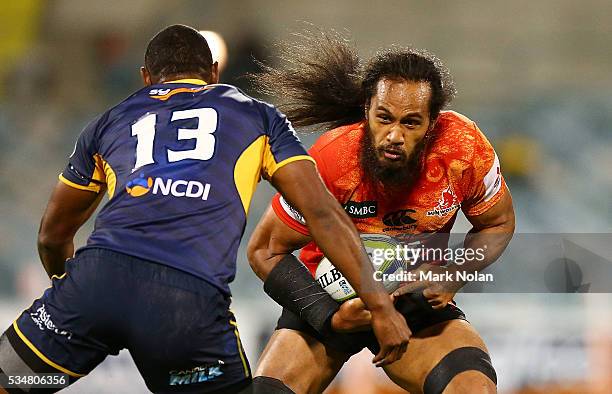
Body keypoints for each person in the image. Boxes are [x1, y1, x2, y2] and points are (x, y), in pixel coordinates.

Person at [0, 25, 410, 394]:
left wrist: (72, 287)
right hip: (184, 304)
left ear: (146, 78)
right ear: (214, 73)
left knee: (15, 381)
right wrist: (379, 304)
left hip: (96, 282)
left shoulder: (107, 122)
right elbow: (322, 215)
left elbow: (51, 236)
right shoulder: (258, 117)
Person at [247, 31, 515, 394]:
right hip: (327, 299)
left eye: (410, 123)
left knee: (472, 388)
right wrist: (330, 318)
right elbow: (265, 249)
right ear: (366, 111)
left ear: (432, 125)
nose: (393, 135)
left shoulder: (463, 149)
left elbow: (497, 222)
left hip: (411, 301)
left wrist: (454, 273)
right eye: (383, 118)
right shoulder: (332, 159)